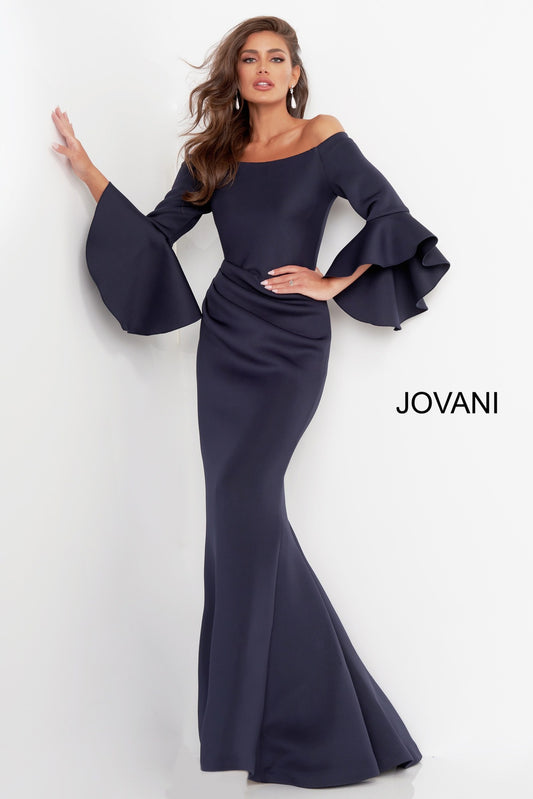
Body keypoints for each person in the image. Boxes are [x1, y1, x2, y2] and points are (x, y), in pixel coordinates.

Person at [51, 15, 449, 789]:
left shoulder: (323, 136)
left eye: (276, 58)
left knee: (248, 509)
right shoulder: (215, 155)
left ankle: (297, 727)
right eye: (249, 58)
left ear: (294, 73)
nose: (263, 69)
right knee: (244, 521)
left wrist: (331, 282)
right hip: (227, 342)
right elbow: (155, 234)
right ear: (234, 75)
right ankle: (328, 727)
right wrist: (90, 172)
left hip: (292, 345)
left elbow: (390, 214)